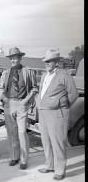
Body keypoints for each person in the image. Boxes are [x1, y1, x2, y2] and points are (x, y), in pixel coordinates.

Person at [36, 49, 78, 181]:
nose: (47, 63)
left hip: (57, 113)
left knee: (58, 142)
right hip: (43, 112)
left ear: (57, 62)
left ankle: (60, 170)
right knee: (46, 141)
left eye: (49, 61)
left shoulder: (64, 75)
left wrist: (61, 105)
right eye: (46, 61)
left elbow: (73, 94)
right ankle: (49, 165)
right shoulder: (44, 75)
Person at [0, 47, 38, 170]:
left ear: (20, 58)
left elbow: (35, 88)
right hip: (9, 104)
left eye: (15, 58)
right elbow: (1, 88)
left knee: (22, 132)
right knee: (11, 133)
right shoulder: (6, 73)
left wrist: (26, 100)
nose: (12, 61)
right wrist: (4, 99)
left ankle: (24, 160)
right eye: (11, 58)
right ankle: (14, 157)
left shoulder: (28, 71)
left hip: (22, 104)